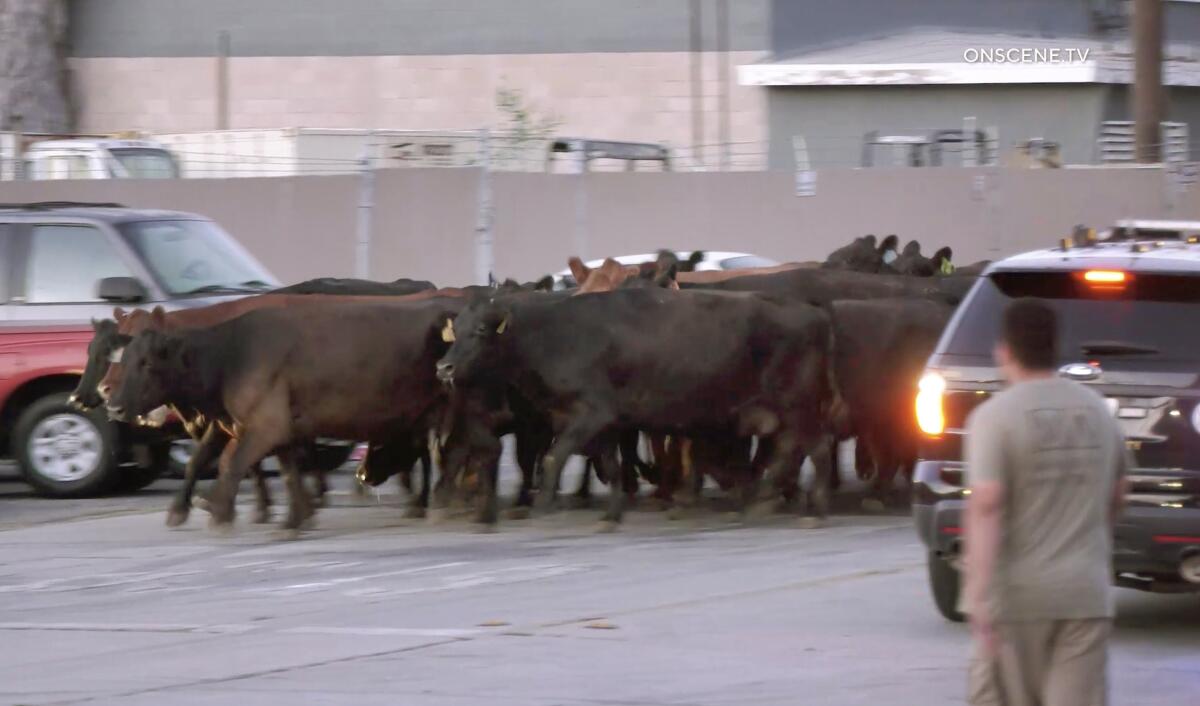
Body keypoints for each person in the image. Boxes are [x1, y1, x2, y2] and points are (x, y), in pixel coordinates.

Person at [962, 298, 1129, 706]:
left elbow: (987, 503)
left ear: (1004, 349)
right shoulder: (1099, 413)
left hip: (1018, 599)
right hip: (1085, 593)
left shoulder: (994, 417)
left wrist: (979, 594)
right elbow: (1119, 492)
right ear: (1056, 348)